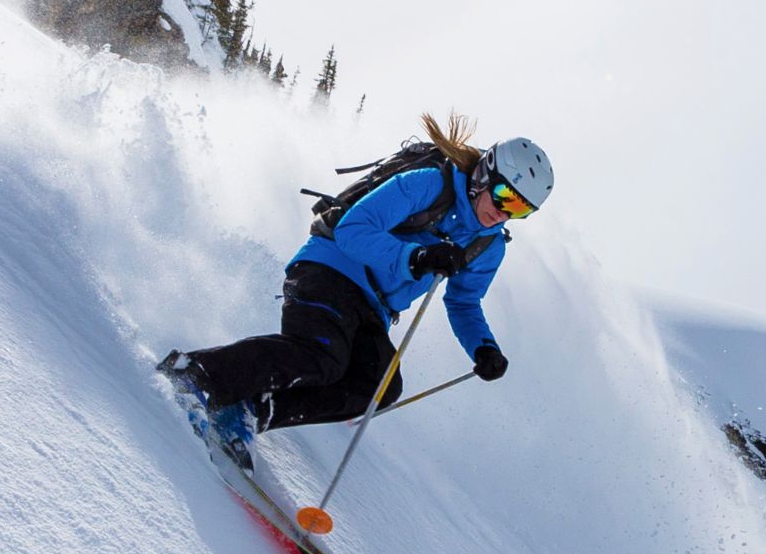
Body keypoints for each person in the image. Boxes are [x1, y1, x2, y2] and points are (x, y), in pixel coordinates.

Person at [159, 113, 551, 464]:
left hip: (373, 308)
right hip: (329, 267)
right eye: (504, 196)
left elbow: (464, 301)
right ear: (484, 175)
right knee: (322, 357)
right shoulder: (429, 184)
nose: (502, 212)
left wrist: (483, 347)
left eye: (520, 210)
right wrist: (415, 258)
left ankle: (247, 412)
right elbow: (352, 229)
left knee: (379, 386)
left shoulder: (488, 245)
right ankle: (196, 374)